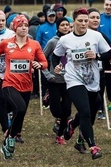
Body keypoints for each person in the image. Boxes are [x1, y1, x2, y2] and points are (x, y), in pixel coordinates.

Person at [52, 7, 111, 160]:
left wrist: (96, 55)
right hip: (73, 79)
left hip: (92, 79)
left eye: (86, 21)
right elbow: (56, 56)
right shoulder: (65, 40)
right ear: (74, 23)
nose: (84, 23)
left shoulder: (96, 36)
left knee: (95, 103)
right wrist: (59, 65)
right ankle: (93, 146)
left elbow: (107, 54)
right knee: (85, 111)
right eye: (80, 21)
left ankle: (72, 125)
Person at [0, 14, 48, 160]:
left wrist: (39, 65)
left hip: (27, 86)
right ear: (15, 28)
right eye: (20, 25)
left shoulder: (34, 44)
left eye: (26, 25)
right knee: (20, 108)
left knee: (19, 114)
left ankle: (7, 142)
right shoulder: (6, 43)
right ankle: (10, 138)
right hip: (9, 83)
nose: (23, 28)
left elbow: (44, 62)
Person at [42, 17, 72, 145]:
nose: (65, 27)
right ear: (58, 27)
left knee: (67, 110)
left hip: (69, 81)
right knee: (56, 111)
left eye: (67, 25)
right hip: (54, 80)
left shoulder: (73, 41)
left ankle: (59, 136)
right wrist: (48, 74)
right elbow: (42, 59)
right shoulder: (52, 42)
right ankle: (49, 96)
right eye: (62, 25)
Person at [87, 8, 111, 121]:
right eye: (92, 17)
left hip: (99, 73)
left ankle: (97, 114)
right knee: (85, 105)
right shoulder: (79, 35)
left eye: (97, 18)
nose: (95, 20)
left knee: (97, 100)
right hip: (81, 74)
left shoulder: (101, 36)